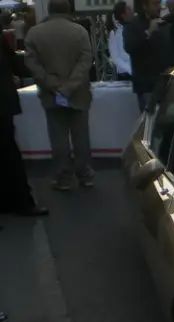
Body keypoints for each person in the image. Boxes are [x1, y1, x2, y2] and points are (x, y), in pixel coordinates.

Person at [25, 0, 95, 191]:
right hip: (78, 93)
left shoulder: (34, 33)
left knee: (58, 138)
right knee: (81, 136)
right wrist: (70, 85)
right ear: (69, 9)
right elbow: (86, 60)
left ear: (49, 10)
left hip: (50, 93)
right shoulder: (80, 32)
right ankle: (84, 174)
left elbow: (31, 63)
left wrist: (50, 82)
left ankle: (63, 177)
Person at [0, 25, 47, 216]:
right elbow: (13, 62)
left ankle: (17, 202)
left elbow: (11, 61)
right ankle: (19, 202)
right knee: (9, 153)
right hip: (3, 103)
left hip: (3, 103)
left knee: (9, 152)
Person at [124, 0, 174, 112]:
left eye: (159, 3)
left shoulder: (164, 23)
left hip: (165, 83)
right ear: (145, 6)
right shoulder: (133, 24)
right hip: (146, 85)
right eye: (155, 4)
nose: (159, 7)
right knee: (149, 121)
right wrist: (148, 33)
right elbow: (130, 47)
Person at [108, 1, 133, 80]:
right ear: (123, 14)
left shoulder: (133, 28)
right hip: (125, 74)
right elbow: (115, 57)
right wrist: (130, 69)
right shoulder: (115, 33)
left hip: (137, 72)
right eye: (129, 10)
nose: (132, 12)